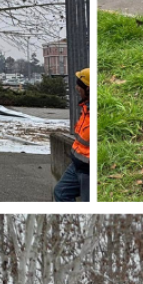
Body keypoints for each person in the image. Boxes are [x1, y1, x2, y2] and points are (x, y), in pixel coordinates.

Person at [54, 68, 91, 202]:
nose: (76, 88)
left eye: (79, 86)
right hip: (76, 165)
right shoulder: (85, 109)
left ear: (88, 89)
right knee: (61, 193)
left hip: (88, 171)